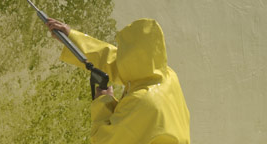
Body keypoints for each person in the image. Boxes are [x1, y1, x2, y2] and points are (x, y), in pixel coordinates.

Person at [46, 18, 190, 144]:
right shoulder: (167, 75)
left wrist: (103, 101)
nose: (120, 56)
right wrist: (72, 37)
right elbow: (113, 60)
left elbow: (104, 140)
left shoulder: (142, 101)